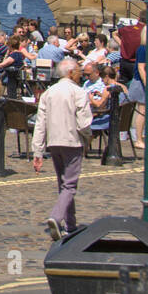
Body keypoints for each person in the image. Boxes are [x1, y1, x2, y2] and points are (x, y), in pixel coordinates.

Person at [32, 59, 93, 240]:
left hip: (54, 142)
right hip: (72, 141)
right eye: (79, 71)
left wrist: (38, 150)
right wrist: (88, 137)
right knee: (70, 185)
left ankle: (71, 223)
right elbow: (83, 123)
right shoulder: (78, 92)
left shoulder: (48, 93)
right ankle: (56, 217)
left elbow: (40, 123)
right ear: (71, 72)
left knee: (63, 184)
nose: (81, 74)